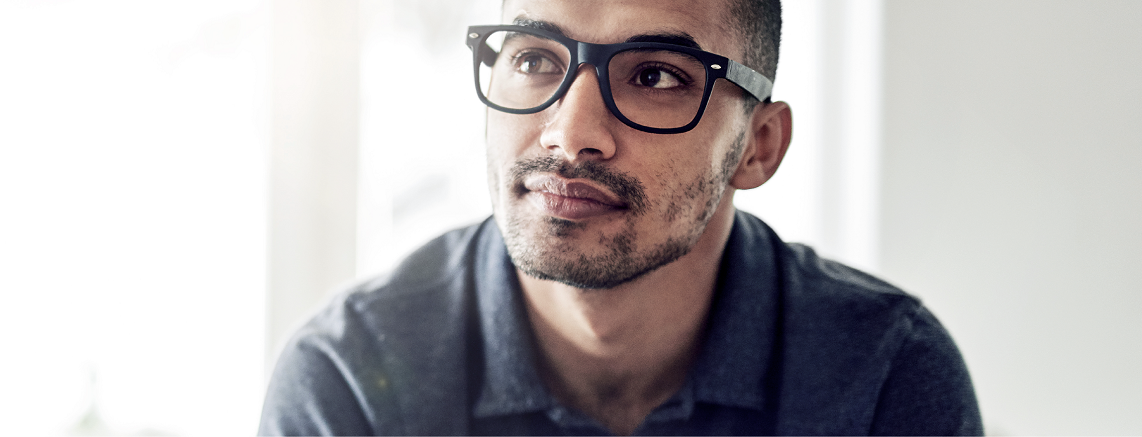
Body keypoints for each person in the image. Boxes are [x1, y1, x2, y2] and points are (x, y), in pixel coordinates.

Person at [259, 0, 981, 434]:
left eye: (654, 76)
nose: (570, 132)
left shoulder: (882, 377)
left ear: (757, 148)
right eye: (536, 59)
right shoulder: (351, 382)